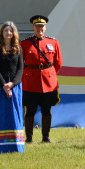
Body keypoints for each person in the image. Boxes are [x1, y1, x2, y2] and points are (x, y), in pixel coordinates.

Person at [20, 15, 63, 143]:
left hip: (48, 83)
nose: (40, 28)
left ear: (45, 28)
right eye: (37, 26)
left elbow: (58, 63)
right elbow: (20, 63)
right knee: (30, 110)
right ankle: (29, 138)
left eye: (42, 26)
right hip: (30, 82)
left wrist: (49, 74)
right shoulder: (25, 43)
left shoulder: (53, 42)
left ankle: (45, 137)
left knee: (46, 109)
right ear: (33, 27)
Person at [0, 21, 25, 153]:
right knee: (1, 115)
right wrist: (4, 85)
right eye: (6, 30)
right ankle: (1, 147)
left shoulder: (18, 48)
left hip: (15, 87)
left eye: (11, 31)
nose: (8, 33)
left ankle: (17, 146)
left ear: (14, 33)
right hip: (0, 86)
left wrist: (12, 84)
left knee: (15, 115)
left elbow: (21, 68)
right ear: (2, 32)